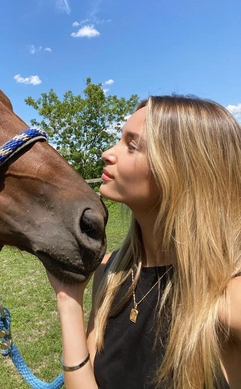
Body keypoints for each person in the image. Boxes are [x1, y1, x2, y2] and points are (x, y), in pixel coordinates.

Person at [47, 95, 241, 389]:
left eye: (131, 145)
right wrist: (68, 301)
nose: (107, 153)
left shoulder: (228, 299)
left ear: (182, 171)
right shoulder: (109, 273)